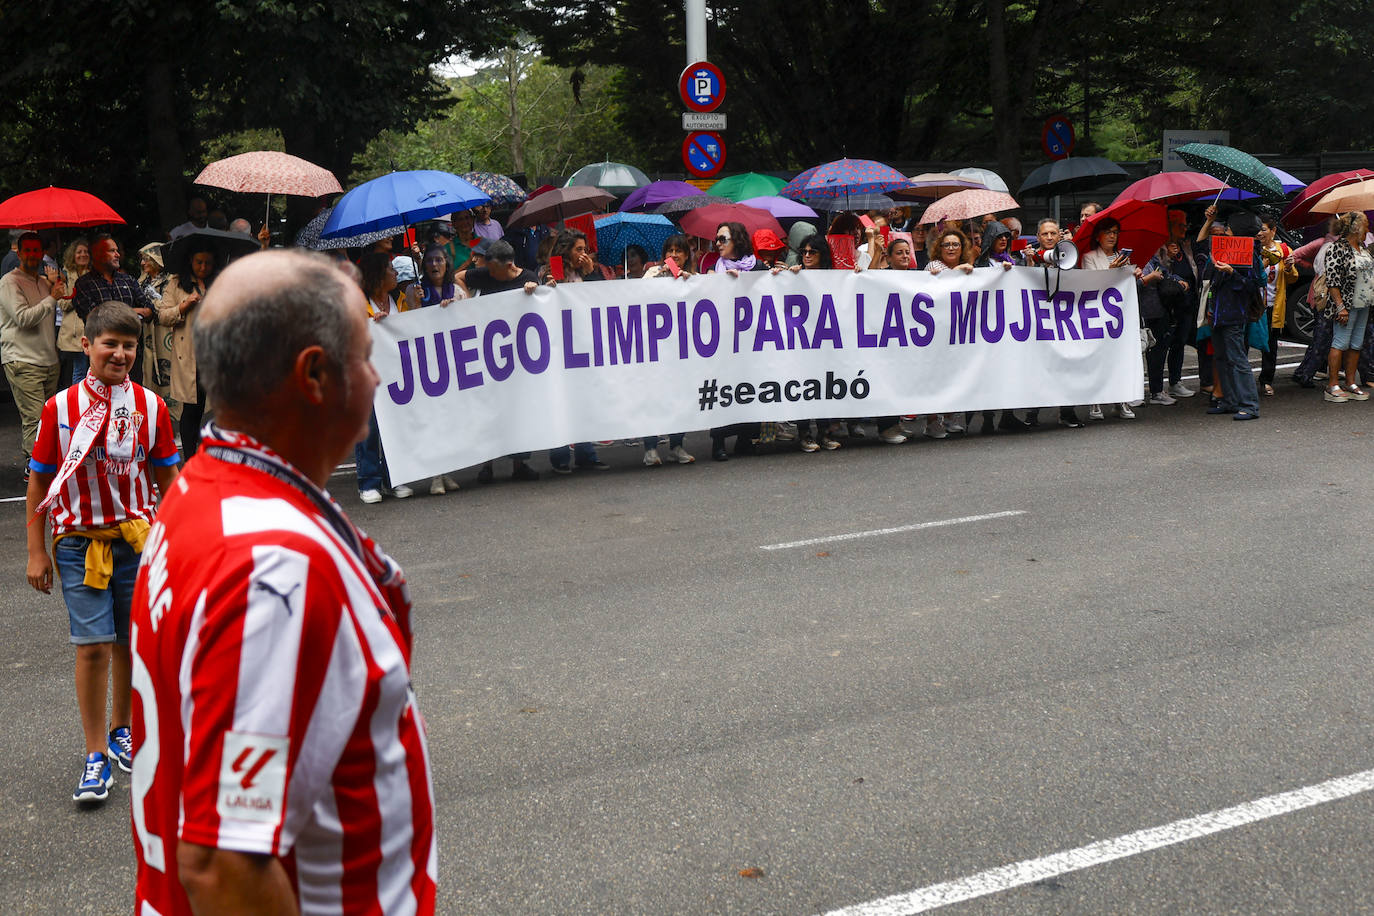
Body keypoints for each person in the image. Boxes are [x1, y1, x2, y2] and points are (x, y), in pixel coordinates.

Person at [128, 249, 436, 915]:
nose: (377, 376)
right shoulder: (276, 566)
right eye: (365, 353)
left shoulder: (199, 493)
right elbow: (221, 866)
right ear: (316, 374)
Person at [25, 302, 180, 804]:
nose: (120, 353)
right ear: (85, 345)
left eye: (129, 345)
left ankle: (122, 730)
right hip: (78, 544)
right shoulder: (59, 408)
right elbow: (39, 480)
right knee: (92, 645)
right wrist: (36, 551)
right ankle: (95, 755)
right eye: (109, 343)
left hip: (137, 541)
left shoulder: (152, 407)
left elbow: (168, 480)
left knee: (130, 643)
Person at [0, 232, 65, 467]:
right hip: (22, 359)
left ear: (42, 252)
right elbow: (23, 318)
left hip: (49, 359)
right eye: (27, 250)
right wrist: (51, 299)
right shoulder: (9, 281)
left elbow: (65, 302)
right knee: (35, 419)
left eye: (36, 250)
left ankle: (47, 466)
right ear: (18, 252)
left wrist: (58, 287)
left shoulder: (42, 281)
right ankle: (34, 468)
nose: (32, 255)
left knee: (50, 419)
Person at [355, 252, 415, 500]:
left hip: (396, 375)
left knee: (395, 427)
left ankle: (394, 477)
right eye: (391, 269)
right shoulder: (358, 303)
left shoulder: (401, 299)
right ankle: (368, 482)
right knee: (369, 428)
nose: (396, 273)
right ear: (378, 275)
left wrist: (417, 308)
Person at [638, 236, 695, 466]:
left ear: (686, 255)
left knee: (679, 397)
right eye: (669, 250)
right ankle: (650, 448)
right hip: (655, 348)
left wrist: (688, 282)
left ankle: (677, 445)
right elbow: (638, 296)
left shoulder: (693, 277)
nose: (674, 255)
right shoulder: (652, 273)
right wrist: (660, 275)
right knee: (653, 397)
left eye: (678, 251)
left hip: (680, 349)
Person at [156, 241, 217, 458]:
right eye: (199, 262)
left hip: (216, 354)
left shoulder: (220, 282)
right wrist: (183, 306)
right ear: (190, 261)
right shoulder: (176, 284)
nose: (203, 267)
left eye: (208, 263)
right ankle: (191, 458)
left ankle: (216, 456)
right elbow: (163, 316)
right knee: (191, 409)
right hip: (190, 356)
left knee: (217, 409)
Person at [708, 222, 762, 460]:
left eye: (723, 239)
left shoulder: (757, 266)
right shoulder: (714, 269)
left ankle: (746, 438)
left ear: (737, 241)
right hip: (723, 340)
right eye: (717, 239)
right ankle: (718, 442)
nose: (718, 244)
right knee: (723, 387)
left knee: (750, 386)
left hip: (750, 339)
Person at [72, 235, 155, 385]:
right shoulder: (84, 284)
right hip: (103, 356)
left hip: (132, 355)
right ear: (98, 254)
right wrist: (133, 312)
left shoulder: (128, 280)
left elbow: (149, 310)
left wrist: (110, 310)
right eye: (111, 251)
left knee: (131, 400)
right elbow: (94, 317)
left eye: (117, 250)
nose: (117, 254)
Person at [1078, 218, 1139, 421]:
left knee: (1119, 357)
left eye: (1115, 232)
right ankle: (1095, 402)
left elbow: (1125, 287)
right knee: (1097, 357)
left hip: (1119, 315)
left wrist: (1133, 274)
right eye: (1108, 232)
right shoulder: (1089, 257)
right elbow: (1089, 284)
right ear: (1098, 236)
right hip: (1096, 314)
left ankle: (1121, 399)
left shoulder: (1123, 257)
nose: (1112, 236)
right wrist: (1110, 271)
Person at [1203, 222, 1265, 420]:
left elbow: (1254, 285)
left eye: (1229, 228)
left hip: (1234, 314)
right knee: (1221, 358)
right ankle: (1228, 401)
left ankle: (1249, 405)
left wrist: (1232, 272)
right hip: (1217, 312)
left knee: (1238, 359)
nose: (1226, 232)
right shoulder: (1222, 250)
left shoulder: (1250, 254)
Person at [1320, 211, 1374, 403]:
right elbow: (1333, 281)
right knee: (1340, 342)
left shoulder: (1363, 248)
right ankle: (1332, 384)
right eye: (1366, 225)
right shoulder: (1337, 248)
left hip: (1364, 303)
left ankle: (1351, 383)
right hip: (1347, 304)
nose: (1368, 228)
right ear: (1356, 227)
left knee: (1356, 344)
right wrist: (1340, 306)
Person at [1257, 216, 1298, 397]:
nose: (1260, 233)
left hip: (1274, 304)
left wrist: (1289, 268)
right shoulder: (1253, 249)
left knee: (1270, 345)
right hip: (1254, 305)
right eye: (1257, 230)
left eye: (1264, 229)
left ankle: (1266, 380)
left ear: (1273, 231)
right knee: (1245, 342)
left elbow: (1292, 278)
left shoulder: (1283, 250)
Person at [58, 238, 91, 387]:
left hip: (94, 328)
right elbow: (63, 303)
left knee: (96, 369)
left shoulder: (96, 273)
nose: (83, 254)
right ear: (73, 255)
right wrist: (78, 294)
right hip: (75, 333)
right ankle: (78, 404)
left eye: (86, 252)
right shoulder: (64, 275)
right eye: (79, 252)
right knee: (80, 370)